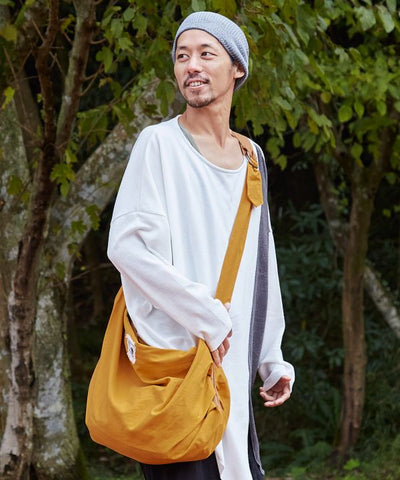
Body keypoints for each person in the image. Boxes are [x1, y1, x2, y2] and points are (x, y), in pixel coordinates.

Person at [107, 10, 294, 480]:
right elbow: (128, 248)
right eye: (182, 56)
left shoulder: (251, 156)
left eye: (206, 54)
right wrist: (206, 315)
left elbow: (260, 260)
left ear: (237, 68)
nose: (191, 65)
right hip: (175, 372)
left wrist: (270, 357)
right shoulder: (158, 144)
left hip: (231, 371)